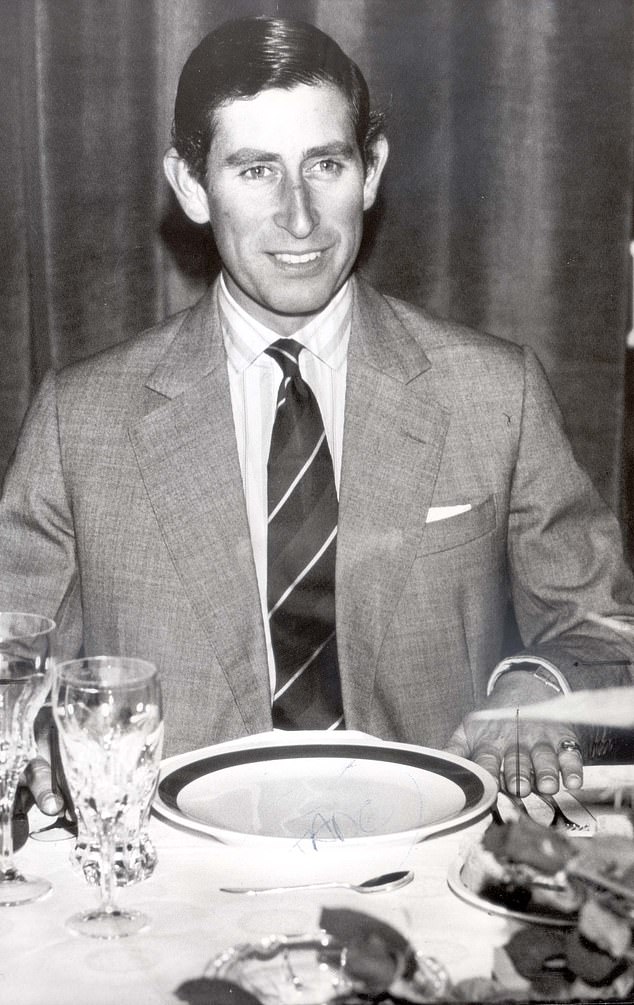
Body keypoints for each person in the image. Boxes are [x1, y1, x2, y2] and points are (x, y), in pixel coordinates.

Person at [2, 15, 633, 816]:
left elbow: (608, 632)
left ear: (371, 171)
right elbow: (8, 664)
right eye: (256, 170)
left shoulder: (491, 391)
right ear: (192, 186)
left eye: (325, 165)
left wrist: (535, 688)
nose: (299, 218)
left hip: (426, 876)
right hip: (173, 889)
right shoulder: (80, 420)